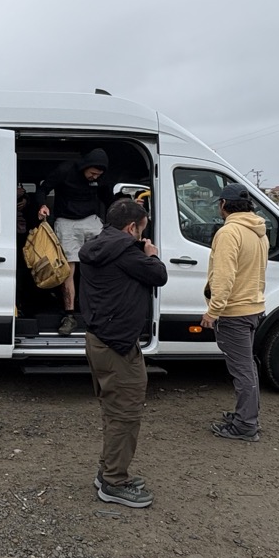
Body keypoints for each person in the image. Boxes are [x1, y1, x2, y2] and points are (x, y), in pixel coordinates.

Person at [78, 198, 168, 508]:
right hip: (117, 345)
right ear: (131, 227)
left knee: (113, 409)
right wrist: (152, 255)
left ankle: (108, 472)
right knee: (125, 413)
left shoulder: (98, 245)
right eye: (142, 230)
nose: (143, 236)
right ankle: (114, 482)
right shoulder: (129, 252)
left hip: (99, 338)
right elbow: (159, 276)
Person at [202, 183, 268, 442]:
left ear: (223, 205)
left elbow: (224, 276)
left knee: (242, 371)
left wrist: (213, 310)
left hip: (234, 311)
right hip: (254, 306)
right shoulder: (259, 230)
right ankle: (247, 415)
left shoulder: (229, 232)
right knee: (248, 367)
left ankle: (245, 425)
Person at [35, 148, 110, 335]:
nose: (94, 177)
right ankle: (69, 316)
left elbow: (109, 198)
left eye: (98, 175)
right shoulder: (65, 170)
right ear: (85, 167)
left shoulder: (99, 179)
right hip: (66, 222)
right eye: (92, 173)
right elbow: (43, 189)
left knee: (105, 261)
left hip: (91, 220)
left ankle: (103, 311)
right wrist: (42, 205)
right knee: (68, 268)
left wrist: (127, 205)